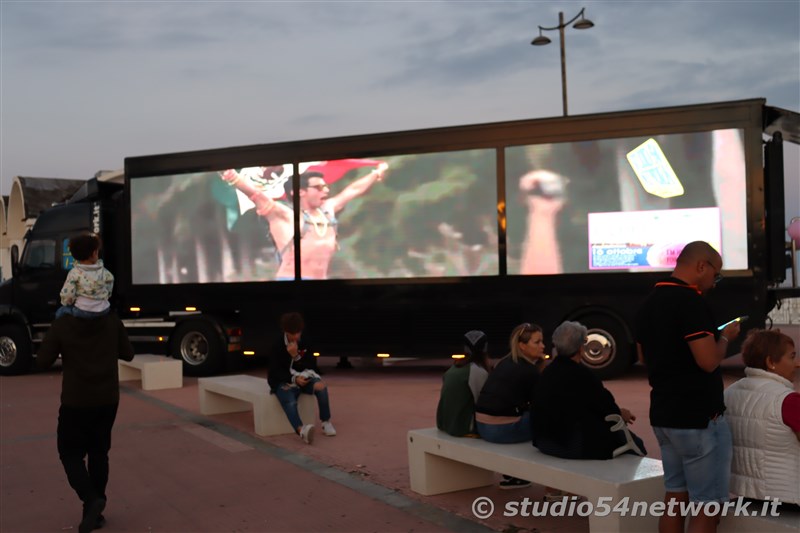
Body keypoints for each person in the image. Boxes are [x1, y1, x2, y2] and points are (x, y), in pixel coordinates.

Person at [635, 240, 741, 533]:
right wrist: (725, 338)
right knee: (707, 507)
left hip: (664, 415)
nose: (714, 282)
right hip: (698, 418)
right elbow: (707, 361)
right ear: (700, 266)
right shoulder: (691, 303)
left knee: (675, 497)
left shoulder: (649, 301)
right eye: (715, 274)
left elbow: (644, 356)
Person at [36, 311, 134, 533]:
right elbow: (128, 354)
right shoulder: (113, 321)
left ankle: (91, 500)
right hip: (108, 400)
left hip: (76, 402)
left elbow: (42, 360)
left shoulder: (62, 324)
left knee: (69, 453)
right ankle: (95, 514)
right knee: (99, 453)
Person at [220, 163, 387, 280]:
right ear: (300, 192)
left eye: (326, 186)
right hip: (291, 286)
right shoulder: (285, 215)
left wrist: (376, 173)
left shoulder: (328, 210)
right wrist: (233, 177)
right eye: (319, 187)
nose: (326, 190)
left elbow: (353, 190)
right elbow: (257, 195)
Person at [532, 320, 645, 459]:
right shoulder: (583, 376)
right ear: (580, 347)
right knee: (636, 444)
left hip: (544, 442)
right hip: (570, 446)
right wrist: (621, 414)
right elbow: (606, 407)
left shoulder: (547, 372)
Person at [724, 329, 800, 508]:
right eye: (791, 357)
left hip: (745, 493)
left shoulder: (729, 393)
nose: (796, 364)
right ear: (771, 362)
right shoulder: (787, 400)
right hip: (788, 497)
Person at [475, 322, 546, 489]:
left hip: (482, 426)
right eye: (537, 342)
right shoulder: (529, 370)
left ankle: (513, 474)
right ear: (522, 345)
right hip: (501, 431)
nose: (543, 346)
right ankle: (529, 475)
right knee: (550, 421)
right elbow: (540, 404)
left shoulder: (503, 363)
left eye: (542, 341)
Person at [267, 312, 336, 443]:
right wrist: (293, 379)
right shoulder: (277, 345)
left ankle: (326, 421)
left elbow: (311, 365)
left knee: (321, 387)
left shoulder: (306, 340)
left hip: (303, 378)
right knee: (290, 401)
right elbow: (274, 372)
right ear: (285, 331)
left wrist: (296, 356)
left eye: (298, 332)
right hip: (283, 380)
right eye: (292, 333)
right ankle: (302, 430)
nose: (296, 336)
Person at [436, 330, 491, 437]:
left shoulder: (454, 367)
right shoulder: (478, 371)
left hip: (444, 423)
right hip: (462, 427)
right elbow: (483, 401)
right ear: (485, 348)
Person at [56, 233, 114, 319]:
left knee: (60, 312)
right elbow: (109, 286)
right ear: (94, 253)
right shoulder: (104, 272)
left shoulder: (74, 273)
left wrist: (67, 302)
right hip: (104, 309)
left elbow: (67, 294)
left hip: (82, 311)